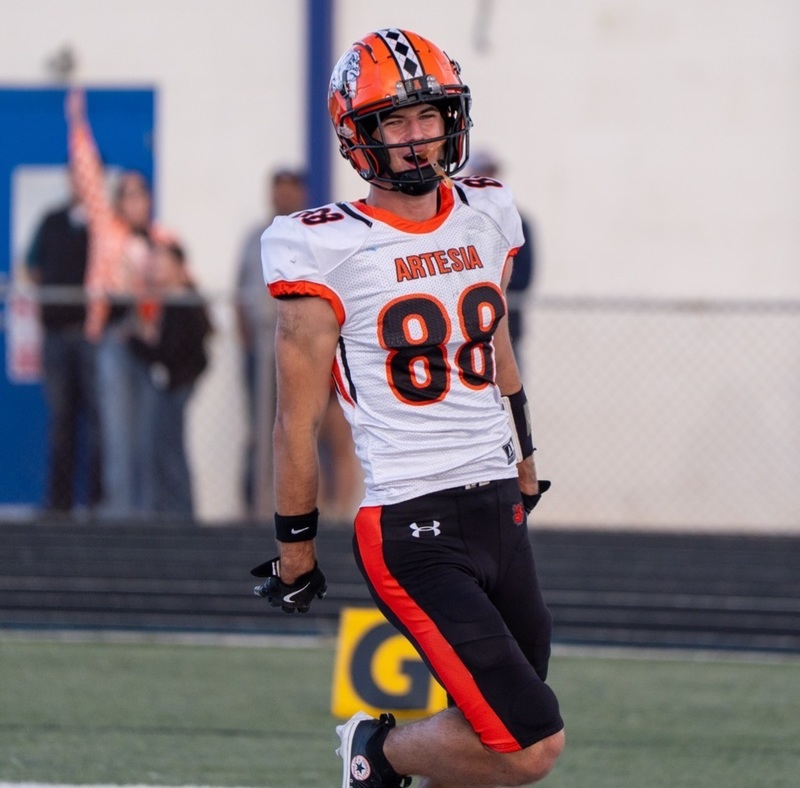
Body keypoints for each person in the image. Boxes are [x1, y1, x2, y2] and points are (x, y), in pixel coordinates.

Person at [251, 28, 564, 788]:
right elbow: (297, 418)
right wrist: (297, 548)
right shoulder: (324, 245)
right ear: (359, 136)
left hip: (496, 501)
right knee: (530, 742)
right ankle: (374, 754)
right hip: (409, 517)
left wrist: (523, 467)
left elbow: (500, 354)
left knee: (497, 723)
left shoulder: (488, 211)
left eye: (429, 116)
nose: (418, 137)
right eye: (394, 121)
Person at [66, 88, 177, 517]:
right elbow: (89, 175)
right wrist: (78, 125)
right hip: (114, 336)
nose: (135, 202)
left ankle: (147, 510)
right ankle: (119, 509)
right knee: (115, 427)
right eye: (127, 194)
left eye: (141, 195)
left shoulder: (161, 238)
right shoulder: (107, 229)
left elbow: (182, 274)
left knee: (147, 428)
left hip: (149, 341)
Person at [24, 167, 102, 514]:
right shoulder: (51, 220)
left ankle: (100, 503)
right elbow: (32, 265)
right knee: (61, 419)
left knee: (100, 421)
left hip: (92, 338)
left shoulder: (103, 224)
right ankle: (59, 505)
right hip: (56, 335)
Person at [234, 168, 308, 515]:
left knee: (300, 425)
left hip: (303, 351)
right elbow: (240, 291)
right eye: (279, 190)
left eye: (291, 190)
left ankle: (298, 506)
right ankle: (254, 503)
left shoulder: (312, 234)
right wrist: (248, 340)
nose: (285, 197)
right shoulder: (255, 238)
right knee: (260, 426)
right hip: (261, 350)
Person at [129, 241, 212, 518]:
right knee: (162, 448)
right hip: (173, 383)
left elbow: (172, 351)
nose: (157, 269)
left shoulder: (183, 302)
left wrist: (137, 343)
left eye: (163, 263)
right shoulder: (169, 302)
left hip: (177, 385)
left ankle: (182, 514)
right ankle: (169, 510)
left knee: (171, 450)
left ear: (178, 267)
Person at [467, 149, 537, 349]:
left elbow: (523, 278)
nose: (486, 179)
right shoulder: (456, 222)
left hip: (507, 327)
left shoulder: (518, 221)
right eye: (481, 172)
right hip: (465, 329)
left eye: (491, 172)